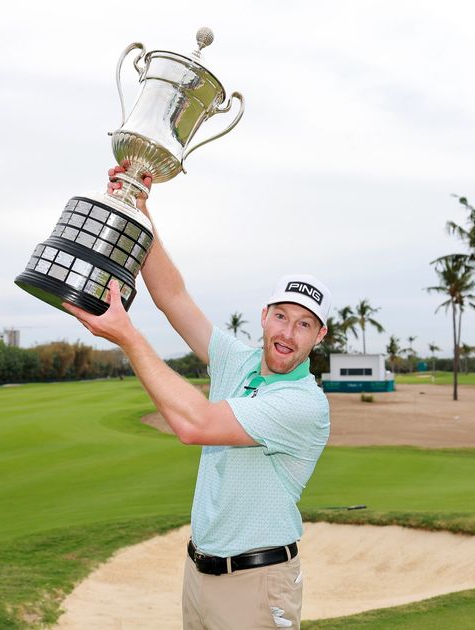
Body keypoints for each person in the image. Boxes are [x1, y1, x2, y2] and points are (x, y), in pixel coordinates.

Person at [63, 164, 331, 630]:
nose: (288, 333)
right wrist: (140, 212)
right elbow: (172, 295)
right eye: (282, 316)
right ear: (264, 315)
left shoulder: (304, 403)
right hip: (199, 574)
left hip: (257, 583)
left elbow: (196, 425)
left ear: (319, 335)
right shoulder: (238, 360)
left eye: (303, 324)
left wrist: (128, 336)